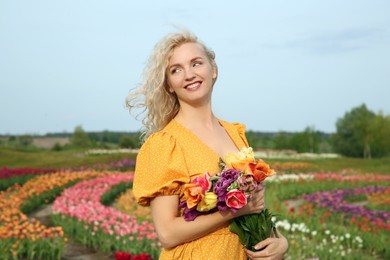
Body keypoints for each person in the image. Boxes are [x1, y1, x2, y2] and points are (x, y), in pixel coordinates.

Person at [126, 30, 288, 259]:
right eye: (176, 70)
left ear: (213, 70)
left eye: (196, 63)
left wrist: (280, 242)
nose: (189, 74)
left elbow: (255, 207)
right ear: (170, 85)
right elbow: (167, 233)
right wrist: (232, 212)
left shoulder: (234, 133)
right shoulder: (164, 144)